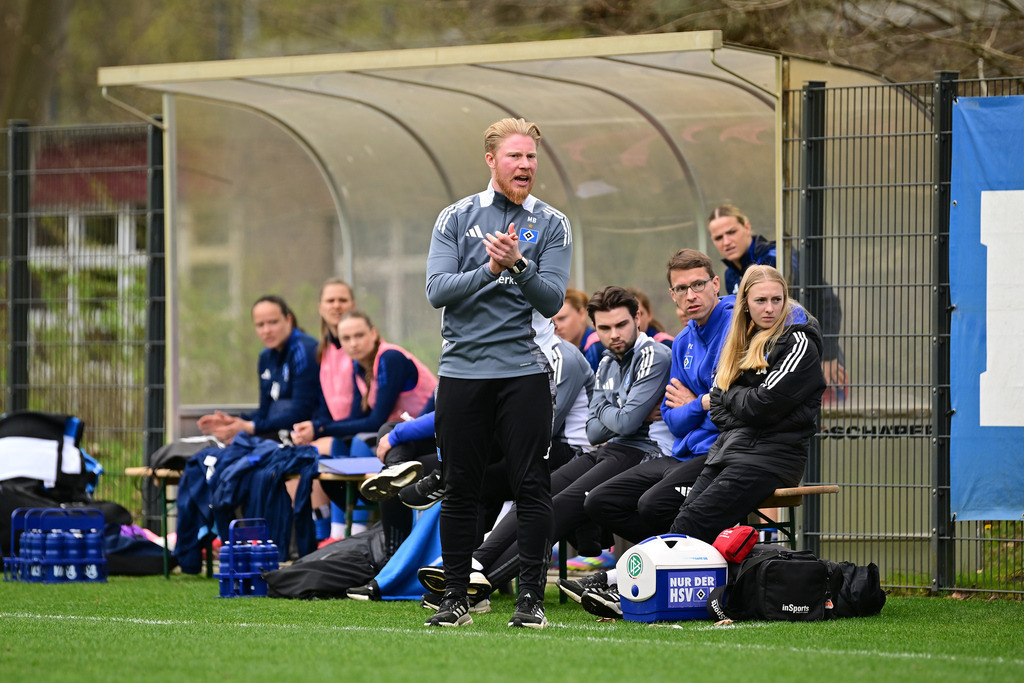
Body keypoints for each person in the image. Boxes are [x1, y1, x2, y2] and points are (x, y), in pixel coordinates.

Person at [418, 286, 672, 607]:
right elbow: (596, 430)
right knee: (537, 493)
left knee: (560, 506)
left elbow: (621, 424)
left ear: (638, 319)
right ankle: (476, 563)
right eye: (605, 328)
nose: (614, 335)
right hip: (608, 449)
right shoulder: (607, 361)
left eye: (621, 325)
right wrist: (619, 411)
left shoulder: (654, 354)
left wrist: (613, 412)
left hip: (645, 452)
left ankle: (479, 588)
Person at [423, 117, 572, 629]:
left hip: (524, 371)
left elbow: (552, 300)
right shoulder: (455, 217)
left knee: (531, 485)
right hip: (462, 371)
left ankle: (530, 601)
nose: (525, 165)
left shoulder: (552, 223)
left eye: (531, 157)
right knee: (460, 487)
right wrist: (489, 269)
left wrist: (519, 266)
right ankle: (456, 600)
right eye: (515, 156)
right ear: (491, 160)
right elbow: (437, 290)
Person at [576, 250, 733, 595]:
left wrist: (697, 404)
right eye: (681, 288)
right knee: (598, 501)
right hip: (682, 449)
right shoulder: (683, 342)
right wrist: (699, 406)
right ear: (672, 295)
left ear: (715, 284)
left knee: (651, 504)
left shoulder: (735, 328)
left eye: (698, 284)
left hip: (719, 453)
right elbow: (674, 421)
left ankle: (640, 574)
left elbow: (729, 409)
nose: (690, 295)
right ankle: (665, 565)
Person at [707, 204, 847, 400]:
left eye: (731, 232)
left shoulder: (777, 257)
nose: (727, 241)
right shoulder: (730, 275)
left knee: (827, 423)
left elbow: (828, 302)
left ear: (747, 227)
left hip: (812, 354)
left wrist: (829, 353)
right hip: (764, 359)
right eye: (719, 238)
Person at [291, 310, 436, 452]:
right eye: (346, 338)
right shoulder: (358, 368)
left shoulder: (390, 358)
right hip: (404, 432)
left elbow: (376, 421)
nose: (353, 343)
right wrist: (316, 427)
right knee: (345, 442)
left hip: (430, 430)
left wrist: (320, 429)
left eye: (359, 335)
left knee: (362, 443)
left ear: (373, 334)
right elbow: (357, 417)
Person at [197, 295, 320, 444]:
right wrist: (236, 421)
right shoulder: (266, 356)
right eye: (260, 325)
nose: (266, 330)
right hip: (274, 432)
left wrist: (249, 426)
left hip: (300, 436)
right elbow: (265, 411)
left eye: (273, 322)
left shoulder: (305, 350)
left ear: (289, 320)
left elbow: (301, 412)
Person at [554, 287, 604, 371]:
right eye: (551, 322)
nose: (556, 327)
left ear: (581, 314)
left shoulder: (596, 346)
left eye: (562, 319)